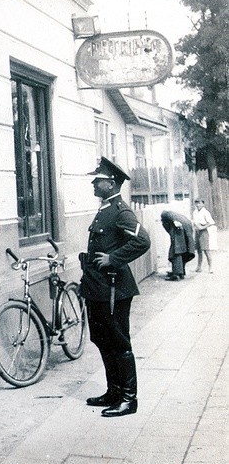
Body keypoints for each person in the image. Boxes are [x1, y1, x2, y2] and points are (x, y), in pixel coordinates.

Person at [79, 157, 151, 417]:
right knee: (101, 339)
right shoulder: (105, 209)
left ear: (111, 183)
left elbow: (142, 241)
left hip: (114, 289)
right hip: (98, 287)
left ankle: (129, 399)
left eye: (97, 180)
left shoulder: (121, 211)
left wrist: (113, 258)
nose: (93, 184)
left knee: (119, 341)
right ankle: (114, 391)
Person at [160, 210, 195, 281]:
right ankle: (181, 272)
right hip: (186, 227)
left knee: (176, 251)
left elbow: (170, 218)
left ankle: (176, 274)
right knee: (183, 250)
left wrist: (175, 223)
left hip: (179, 228)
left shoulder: (166, 215)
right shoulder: (177, 216)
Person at [192, 198, 217, 274]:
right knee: (199, 250)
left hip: (203, 232)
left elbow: (211, 222)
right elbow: (194, 222)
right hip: (197, 232)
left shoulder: (205, 212)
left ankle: (211, 267)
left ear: (203, 204)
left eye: (199, 203)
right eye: (196, 203)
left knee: (206, 250)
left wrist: (202, 227)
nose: (198, 205)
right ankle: (199, 267)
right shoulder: (195, 212)